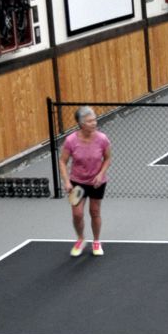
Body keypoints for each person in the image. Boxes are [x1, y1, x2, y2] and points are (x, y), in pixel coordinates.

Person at [61, 106, 112, 257]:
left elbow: (108, 158)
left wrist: (101, 174)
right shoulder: (71, 140)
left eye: (94, 120)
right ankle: (81, 239)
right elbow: (62, 161)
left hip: (97, 182)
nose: (94, 123)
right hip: (77, 183)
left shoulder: (102, 139)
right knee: (77, 214)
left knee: (95, 212)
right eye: (90, 121)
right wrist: (66, 181)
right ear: (81, 124)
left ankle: (96, 241)